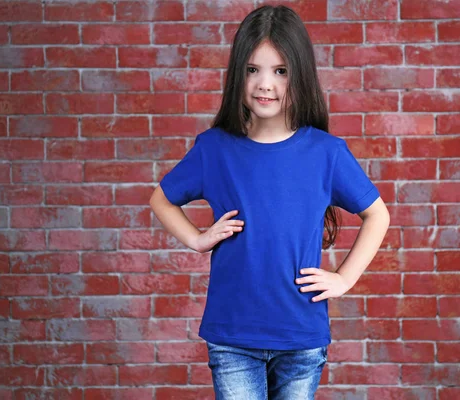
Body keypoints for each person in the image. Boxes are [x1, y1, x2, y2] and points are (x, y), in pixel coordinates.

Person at [150, 4, 390, 399]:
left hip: (301, 335)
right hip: (233, 336)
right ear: (237, 75)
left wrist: (344, 278)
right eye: (252, 70)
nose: (265, 84)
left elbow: (376, 215)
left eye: (280, 71)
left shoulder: (326, 152)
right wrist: (197, 239)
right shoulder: (215, 149)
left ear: (300, 75)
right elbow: (161, 199)